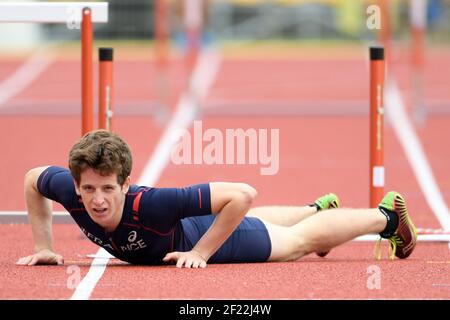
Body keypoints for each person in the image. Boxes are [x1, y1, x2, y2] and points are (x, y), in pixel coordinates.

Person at [17, 130, 417, 268]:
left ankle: (385, 217)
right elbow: (33, 179)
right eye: (88, 189)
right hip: (194, 232)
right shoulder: (66, 188)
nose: (97, 200)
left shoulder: (154, 204)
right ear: (76, 184)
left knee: (297, 245)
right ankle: (317, 211)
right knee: (265, 221)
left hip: (202, 238)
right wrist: (44, 246)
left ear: (125, 184)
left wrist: (204, 252)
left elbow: (243, 194)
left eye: (107, 188)